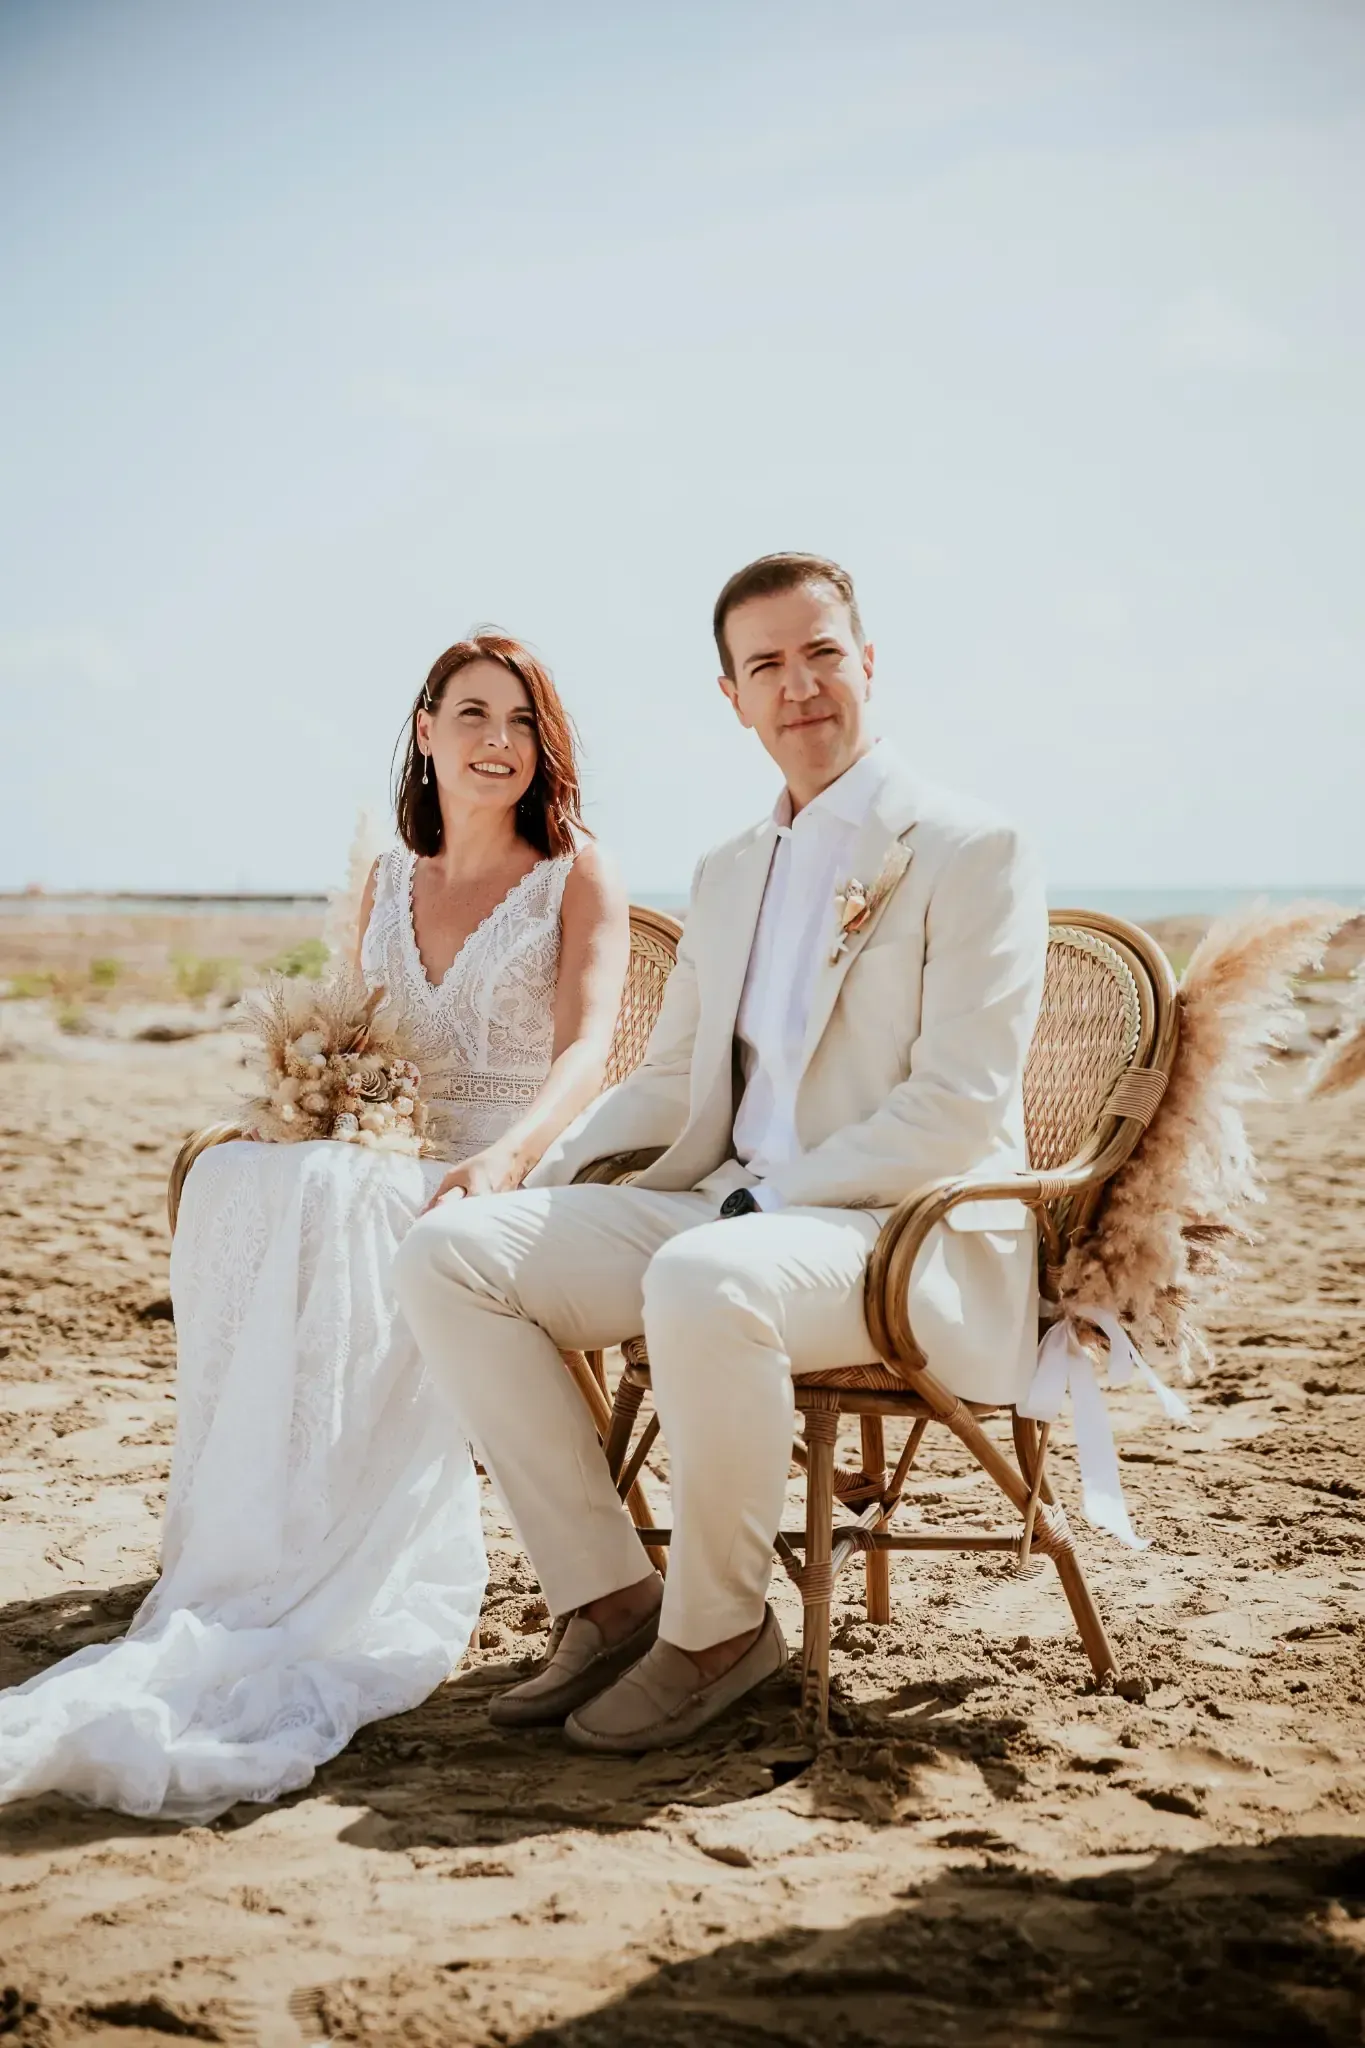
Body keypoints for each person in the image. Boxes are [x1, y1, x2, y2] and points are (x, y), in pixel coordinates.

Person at [393, 554, 1049, 1755]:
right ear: (732, 694)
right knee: (452, 1253)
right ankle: (613, 1597)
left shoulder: (972, 847)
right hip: (722, 1205)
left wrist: (765, 1198)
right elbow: (665, 1080)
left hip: (894, 1228)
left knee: (705, 1276)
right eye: (766, 665)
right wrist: (526, 1173)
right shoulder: (729, 869)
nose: (798, 685)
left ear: (866, 664)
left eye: (820, 654)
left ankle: (719, 1633)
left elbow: (958, 1107)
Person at [0, 632, 628, 1819]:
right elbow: (361, 1028)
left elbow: (591, 1048)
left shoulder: (575, 869)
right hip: (392, 1144)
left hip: (514, 1155)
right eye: (475, 714)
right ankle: (273, 1531)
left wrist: (503, 1154)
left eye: (523, 721)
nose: (500, 741)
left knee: (336, 1199)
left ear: (545, 746)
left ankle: (336, 1549)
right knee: (247, 1181)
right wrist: (316, 1103)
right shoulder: (393, 874)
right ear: (427, 728)